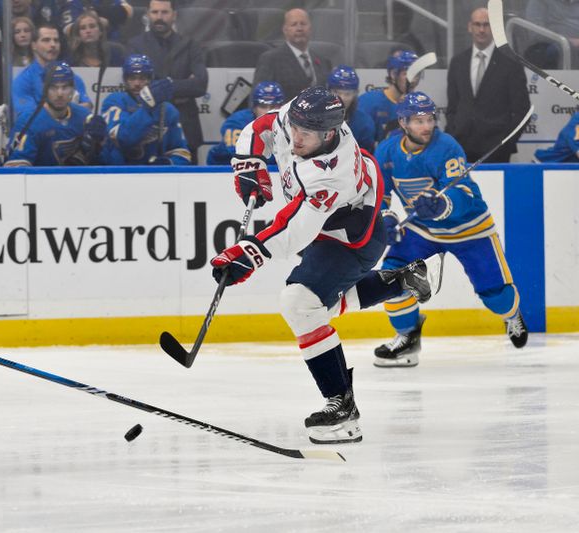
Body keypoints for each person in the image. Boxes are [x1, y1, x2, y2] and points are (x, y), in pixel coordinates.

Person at [210, 86, 441, 444]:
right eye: (295, 129)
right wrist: (249, 164)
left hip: (349, 237)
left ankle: (342, 410)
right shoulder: (300, 116)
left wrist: (250, 253)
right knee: (318, 307)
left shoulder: (333, 171)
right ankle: (400, 282)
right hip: (327, 226)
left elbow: (295, 228)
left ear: (330, 133)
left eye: (306, 135)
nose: (296, 138)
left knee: (300, 304)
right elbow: (262, 129)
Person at [373, 92, 528, 367]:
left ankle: (511, 314)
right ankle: (407, 338)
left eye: (430, 119)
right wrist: (387, 219)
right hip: (421, 230)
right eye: (419, 120)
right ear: (403, 123)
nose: (427, 126)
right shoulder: (386, 151)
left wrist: (442, 204)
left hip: (470, 230)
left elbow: (463, 191)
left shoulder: (447, 146)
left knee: (496, 297)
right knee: (390, 277)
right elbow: (380, 195)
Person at [445, 7, 530, 163]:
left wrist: (506, 143)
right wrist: (453, 132)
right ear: (470, 27)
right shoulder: (458, 62)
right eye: (477, 24)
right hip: (461, 146)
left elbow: (522, 110)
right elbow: (452, 107)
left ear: (495, 28)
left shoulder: (510, 63)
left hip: (497, 150)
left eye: (487, 24)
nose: (482, 29)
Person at [127, 0, 208, 162]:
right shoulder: (135, 45)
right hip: (149, 129)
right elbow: (137, 88)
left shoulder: (191, 45)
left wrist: (164, 87)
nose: (159, 17)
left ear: (174, 15)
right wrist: (182, 85)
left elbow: (200, 84)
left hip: (187, 127)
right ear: (147, 15)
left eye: (165, 12)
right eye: (155, 12)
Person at [6, 61, 109, 166]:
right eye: (53, 87)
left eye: (65, 87)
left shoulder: (85, 118)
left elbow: (105, 165)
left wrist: (98, 145)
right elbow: (15, 170)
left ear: (73, 90)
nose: (59, 94)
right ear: (44, 89)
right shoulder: (28, 122)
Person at [102, 54, 190, 165]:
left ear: (151, 79)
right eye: (132, 78)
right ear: (125, 79)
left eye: (142, 78)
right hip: (120, 173)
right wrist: (148, 106)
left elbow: (182, 152)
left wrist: (169, 163)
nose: (137, 84)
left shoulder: (167, 109)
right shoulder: (114, 101)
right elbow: (123, 139)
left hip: (155, 176)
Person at [12, 22, 92, 118]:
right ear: (34, 45)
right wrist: (68, 109)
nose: (53, 45)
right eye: (46, 40)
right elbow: (28, 116)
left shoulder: (71, 76)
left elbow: (87, 106)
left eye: (56, 40)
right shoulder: (23, 80)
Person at [253, 8, 332, 101]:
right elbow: (257, 101)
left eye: (303, 24)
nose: (299, 28)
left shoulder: (323, 62)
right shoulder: (270, 60)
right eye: (294, 24)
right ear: (285, 30)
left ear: (310, 28)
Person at [206, 81, 284, 166]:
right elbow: (242, 154)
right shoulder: (236, 122)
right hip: (225, 167)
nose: (268, 111)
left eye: (273, 107)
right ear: (254, 108)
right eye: (263, 107)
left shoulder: (289, 122)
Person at [358, 49, 418, 144]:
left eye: (416, 74)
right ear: (393, 74)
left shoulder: (418, 104)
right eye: (406, 74)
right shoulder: (368, 102)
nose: (414, 80)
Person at [327, 65, 376, 153]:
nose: (342, 98)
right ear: (329, 91)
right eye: (337, 92)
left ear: (355, 94)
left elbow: (365, 157)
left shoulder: (364, 123)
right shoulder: (316, 118)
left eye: (348, 94)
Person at [58, 0, 133, 42]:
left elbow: (127, 11)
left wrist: (95, 12)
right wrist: (99, 21)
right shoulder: (73, 2)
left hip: (112, 43)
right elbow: (69, 29)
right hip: (82, 48)